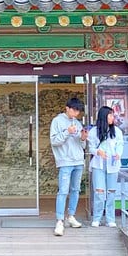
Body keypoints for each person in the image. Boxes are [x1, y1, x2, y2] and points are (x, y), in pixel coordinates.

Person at [50, 98, 87, 236]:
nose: (76, 113)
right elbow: (54, 141)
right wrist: (67, 132)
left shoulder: (77, 122)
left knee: (76, 189)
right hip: (65, 161)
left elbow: (81, 145)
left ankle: (71, 216)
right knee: (63, 191)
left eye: (78, 111)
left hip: (78, 160)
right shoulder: (57, 121)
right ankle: (59, 220)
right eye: (74, 109)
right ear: (67, 108)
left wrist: (83, 138)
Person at [88, 105, 125, 227]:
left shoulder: (117, 131)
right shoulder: (94, 132)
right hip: (98, 165)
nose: (112, 117)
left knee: (111, 192)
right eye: (110, 115)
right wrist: (98, 152)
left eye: (113, 115)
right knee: (99, 192)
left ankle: (110, 219)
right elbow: (91, 148)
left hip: (112, 165)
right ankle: (97, 217)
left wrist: (118, 154)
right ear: (104, 116)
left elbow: (120, 145)